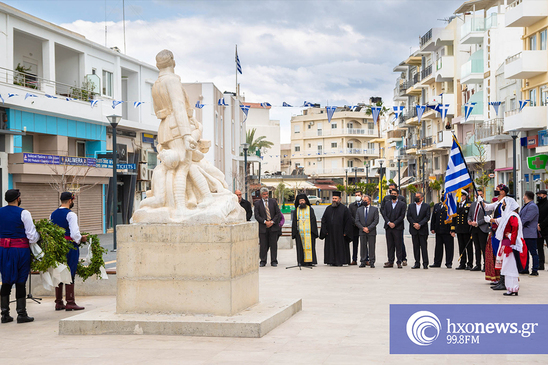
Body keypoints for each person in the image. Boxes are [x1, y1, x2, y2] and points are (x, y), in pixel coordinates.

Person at [0, 189, 40, 324]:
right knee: (20, 280)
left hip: (3, 250)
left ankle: (4, 314)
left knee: (5, 279)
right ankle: (21, 314)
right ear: (18, 198)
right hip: (20, 250)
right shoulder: (24, 213)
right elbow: (31, 236)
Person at [50, 192, 88, 311]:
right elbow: (74, 233)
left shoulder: (53, 214)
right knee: (70, 270)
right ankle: (70, 302)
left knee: (59, 271)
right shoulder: (71, 215)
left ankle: (58, 301)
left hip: (57, 245)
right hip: (69, 245)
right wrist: (81, 239)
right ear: (70, 201)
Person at [494, 198, 526, 296]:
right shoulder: (509, 216)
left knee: (510, 267)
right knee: (507, 267)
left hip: (510, 244)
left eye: (504, 204)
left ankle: (513, 288)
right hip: (507, 243)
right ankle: (511, 288)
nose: (503, 206)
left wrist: (510, 238)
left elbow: (515, 229)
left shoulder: (513, 216)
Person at [484, 184, 509, 287]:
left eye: (498, 190)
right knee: (495, 253)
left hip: (501, 232)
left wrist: (491, 220)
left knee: (500, 254)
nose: (496, 191)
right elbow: (488, 207)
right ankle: (498, 278)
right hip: (496, 231)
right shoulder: (498, 202)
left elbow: (505, 218)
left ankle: (503, 279)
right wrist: (481, 201)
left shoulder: (506, 202)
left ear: (503, 192)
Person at [320, 191, 353, 266]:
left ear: (340, 199)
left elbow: (348, 221)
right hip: (330, 233)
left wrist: (346, 232)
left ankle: (341, 261)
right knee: (330, 247)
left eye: (336, 198)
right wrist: (325, 231)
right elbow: (324, 220)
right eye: (333, 198)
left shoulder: (344, 209)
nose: (334, 200)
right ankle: (331, 261)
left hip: (340, 234)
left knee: (340, 247)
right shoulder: (328, 208)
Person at [254, 187, 282, 267]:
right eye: (264, 194)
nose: (266, 196)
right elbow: (257, 215)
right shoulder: (257, 204)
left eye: (267, 194)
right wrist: (265, 222)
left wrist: (272, 222)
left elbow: (278, 214)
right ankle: (263, 261)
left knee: (273, 244)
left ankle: (274, 261)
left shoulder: (273, 202)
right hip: (263, 227)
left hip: (273, 227)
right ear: (261, 195)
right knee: (263, 245)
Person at [381, 183, 408, 265]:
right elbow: (383, 212)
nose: (392, 195)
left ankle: (399, 261)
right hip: (388, 227)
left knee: (399, 244)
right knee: (390, 245)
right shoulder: (386, 202)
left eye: (394, 194)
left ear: (398, 194)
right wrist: (388, 222)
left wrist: (395, 223)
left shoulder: (402, 202)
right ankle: (390, 261)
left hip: (398, 227)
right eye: (391, 193)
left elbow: (402, 215)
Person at [291, 194, 318, 266]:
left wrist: (313, 232)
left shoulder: (310, 209)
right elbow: (294, 222)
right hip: (299, 233)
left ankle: (310, 262)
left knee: (310, 247)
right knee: (300, 248)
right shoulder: (296, 210)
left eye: (303, 200)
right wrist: (294, 233)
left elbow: (313, 221)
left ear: (305, 201)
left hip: (309, 233)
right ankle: (301, 262)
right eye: (300, 201)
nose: (302, 202)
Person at [467, 189, 490, 271]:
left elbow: (487, 217)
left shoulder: (487, 205)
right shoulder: (473, 204)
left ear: (483, 195)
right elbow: (469, 215)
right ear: (475, 196)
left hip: (482, 228)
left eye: (481, 194)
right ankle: (478, 264)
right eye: (478, 194)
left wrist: (477, 223)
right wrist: (469, 220)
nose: (479, 196)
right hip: (474, 228)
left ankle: (485, 265)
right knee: (476, 247)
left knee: (483, 247)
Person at [430, 193, 454, 268]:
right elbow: (433, 218)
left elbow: (453, 219)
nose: (443, 197)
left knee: (449, 248)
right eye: (443, 195)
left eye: (445, 196)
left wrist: (452, 229)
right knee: (438, 247)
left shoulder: (451, 206)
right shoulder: (437, 205)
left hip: (447, 230)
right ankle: (437, 262)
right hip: (439, 230)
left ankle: (449, 263)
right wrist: (432, 228)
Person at [407, 192, 430, 269]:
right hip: (414, 230)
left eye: (418, 196)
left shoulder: (426, 206)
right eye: (415, 196)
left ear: (422, 198)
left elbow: (427, 217)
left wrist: (419, 224)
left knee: (423, 247)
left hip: (423, 230)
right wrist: (414, 224)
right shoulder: (411, 206)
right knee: (415, 247)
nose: (416, 198)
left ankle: (425, 263)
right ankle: (417, 263)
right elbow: (409, 216)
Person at [355, 195, 379, 268]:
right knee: (363, 247)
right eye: (363, 200)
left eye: (365, 200)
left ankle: (372, 261)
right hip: (362, 231)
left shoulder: (374, 209)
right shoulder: (359, 210)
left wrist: (368, 228)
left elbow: (376, 221)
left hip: (371, 232)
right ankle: (363, 261)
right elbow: (357, 221)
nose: (364, 202)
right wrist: (363, 228)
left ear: (369, 201)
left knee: (371, 247)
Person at [520, 191, 539, 276]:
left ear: (526, 196)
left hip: (530, 233)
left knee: (533, 252)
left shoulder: (532, 206)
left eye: (524, 195)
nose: (523, 197)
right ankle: (525, 268)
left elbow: (527, 218)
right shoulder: (526, 206)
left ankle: (535, 269)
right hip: (524, 233)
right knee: (525, 252)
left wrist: (519, 223)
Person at [454, 190, 473, 270]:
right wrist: (453, 229)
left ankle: (470, 263)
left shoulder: (469, 204)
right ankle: (462, 263)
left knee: (468, 247)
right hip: (459, 228)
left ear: (465, 196)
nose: (460, 197)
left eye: (461, 196)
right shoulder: (457, 204)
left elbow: (471, 215)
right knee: (461, 246)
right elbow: (454, 217)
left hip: (466, 229)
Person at [348, 191, 365, 265]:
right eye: (356, 195)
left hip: (363, 228)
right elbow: (350, 216)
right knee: (355, 244)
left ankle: (365, 259)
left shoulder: (364, 205)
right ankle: (354, 259)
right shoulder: (351, 205)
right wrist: (356, 223)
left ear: (361, 196)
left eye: (358, 195)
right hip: (354, 228)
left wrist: (361, 225)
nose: (357, 196)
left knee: (364, 244)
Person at [536, 189, 548, 271]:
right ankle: (541, 264)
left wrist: (541, 225)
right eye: (537, 195)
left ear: (545, 195)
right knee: (539, 247)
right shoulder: (537, 205)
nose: (538, 196)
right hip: (538, 228)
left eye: (540, 195)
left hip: (546, 228)